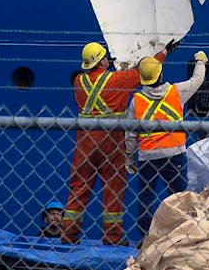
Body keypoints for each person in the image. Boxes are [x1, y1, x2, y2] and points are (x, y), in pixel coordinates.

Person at [63, 39, 178, 245]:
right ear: (101, 62)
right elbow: (144, 71)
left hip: (85, 139)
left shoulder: (79, 81)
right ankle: (112, 237)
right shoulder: (117, 79)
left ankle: (69, 235)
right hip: (111, 139)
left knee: (79, 185)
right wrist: (164, 53)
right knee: (113, 186)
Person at [127, 51, 207, 240]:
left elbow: (130, 134)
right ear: (161, 74)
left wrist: (129, 159)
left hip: (148, 156)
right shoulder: (176, 92)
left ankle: (146, 237)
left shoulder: (136, 101)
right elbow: (197, 80)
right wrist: (200, 61)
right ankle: (185, 234)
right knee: (180, 197)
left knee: (145, 198)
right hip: (174, 154)